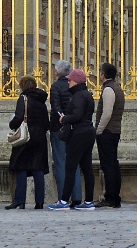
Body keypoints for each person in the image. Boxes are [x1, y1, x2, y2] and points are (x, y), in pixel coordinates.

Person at [49, 68, 95, 211]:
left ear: (76, 81)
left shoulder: (78, 96)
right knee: (87, 168)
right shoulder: (87, 94)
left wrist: (64, 118)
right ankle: (88, 201)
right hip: (88, 132)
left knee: (70, 167)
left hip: (78, 133)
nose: (68, 82)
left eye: (70, 80)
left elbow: (77, 115)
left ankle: (63, 201)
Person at [8, 76, 50, 209]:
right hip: (40, 137)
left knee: (21, 167)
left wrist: (12, 124)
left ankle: (20, 200)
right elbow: (47, 123)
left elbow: (19, 117)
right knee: (38, 168)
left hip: (26, 137)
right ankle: (39, 201)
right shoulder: (41, 100)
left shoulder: (24, 99)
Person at [48, 60, 80, 205]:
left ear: (56, 72)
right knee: (74, 162)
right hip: (75, 126)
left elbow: (56, 107)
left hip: (59, 127)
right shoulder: (75, 86)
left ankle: (63, 197)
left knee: (61, 162)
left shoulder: (56, 86)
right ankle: (77, 196)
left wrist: (62, 119)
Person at [95, 62, 125, 208]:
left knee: (108, 166)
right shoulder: (117, 87)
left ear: (103, 75)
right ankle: (114, 197)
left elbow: (106, 113)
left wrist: (99, 130)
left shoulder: (108, 89)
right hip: (114, 130)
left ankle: (110, 197)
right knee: (113, 164)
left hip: (107, 131)